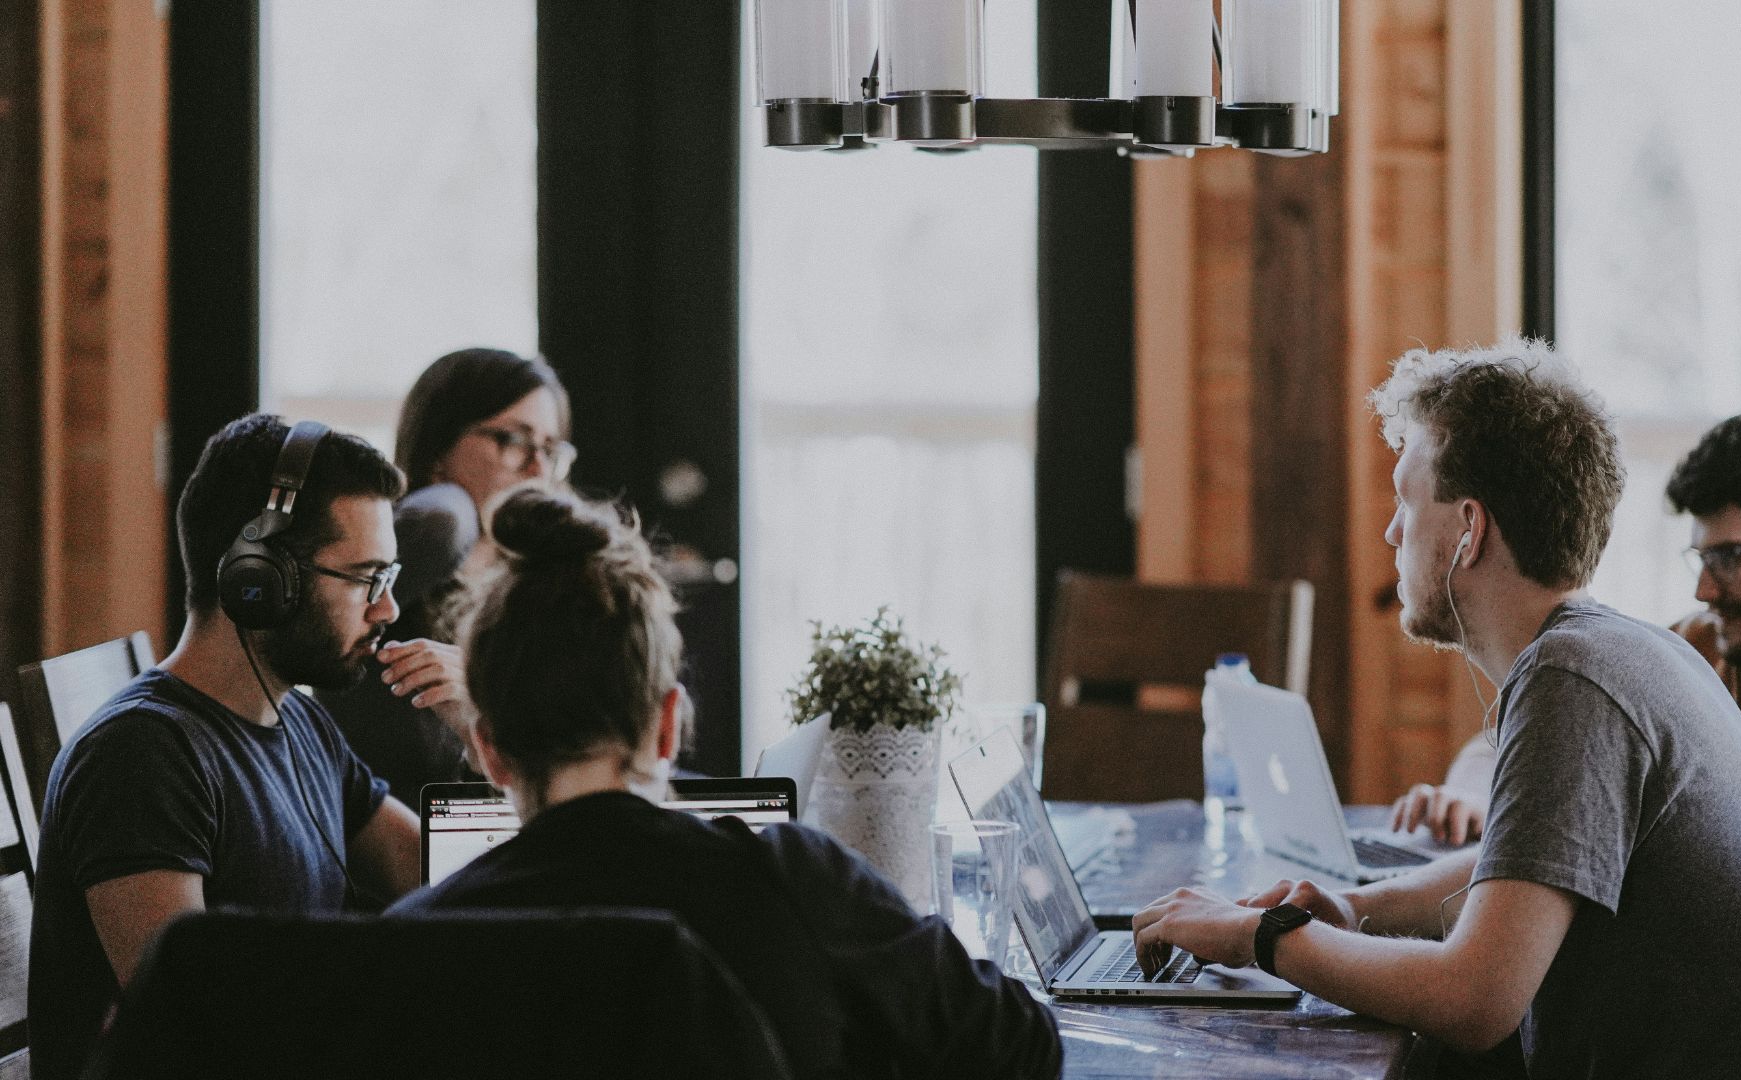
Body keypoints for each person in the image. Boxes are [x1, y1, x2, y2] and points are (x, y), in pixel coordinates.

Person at [1132, 341, 1741, 1079]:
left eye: (1407, 501)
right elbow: (1526, 863)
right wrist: (1351, 907)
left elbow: (1475, 999)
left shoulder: (1572, 678)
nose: (1392, 532)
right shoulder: (1621, 651)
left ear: (1469, 529)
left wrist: (1261, 936)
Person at [385, 486, 1061, 1080]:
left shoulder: (414, 944)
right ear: (669, 724)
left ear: (489, 749)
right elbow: (1023, 1048)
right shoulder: (795, 882)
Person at [1390, 406, 1741, 1069]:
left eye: (1731, 557)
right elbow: (1541, 732)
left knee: (1479, 1006)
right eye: (1700, 556)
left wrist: (1517, 918)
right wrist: (1470, 794)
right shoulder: (1713, 642)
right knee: (1456, 1013)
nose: (1703, 587)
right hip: (1709, 986)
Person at [29, 415, 465, 1080]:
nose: (389, 610)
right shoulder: (141, 755)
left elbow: (457, 884)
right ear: (258, 579)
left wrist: (480, 724)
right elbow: (190, 1033)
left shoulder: (302, 725)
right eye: (367, 578)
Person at [322, 347, 573, 807]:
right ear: (439, 447)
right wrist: (452, 501)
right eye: (514, 440)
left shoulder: (548, 580)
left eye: (551, 450)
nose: (538, 469)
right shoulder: (410, 558)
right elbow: (437, 521)